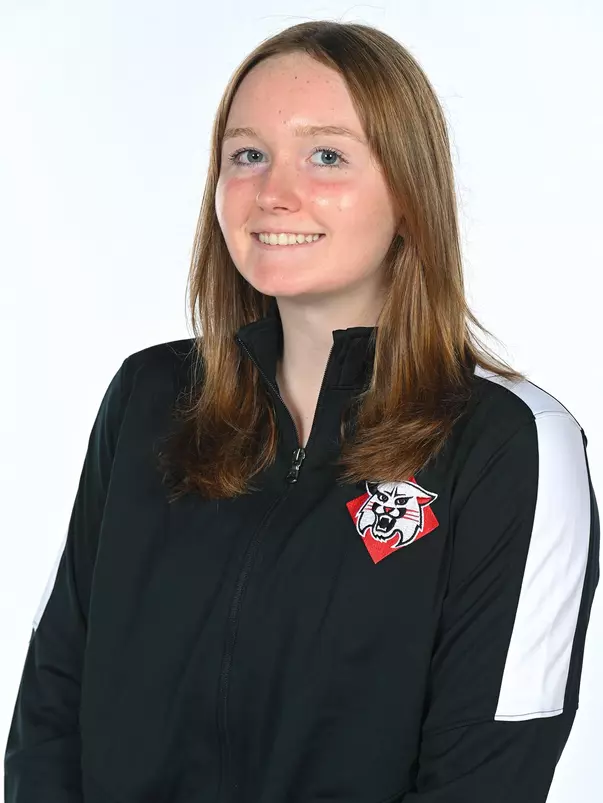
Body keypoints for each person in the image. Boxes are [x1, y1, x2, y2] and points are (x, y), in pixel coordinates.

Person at [4, 19, 599, 803]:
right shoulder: (149, 398)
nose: (272, 193)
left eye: (326, 156)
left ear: (408, 192)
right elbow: (52, 705)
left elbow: (487, 771)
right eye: (247, 155)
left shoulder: (509, 443)